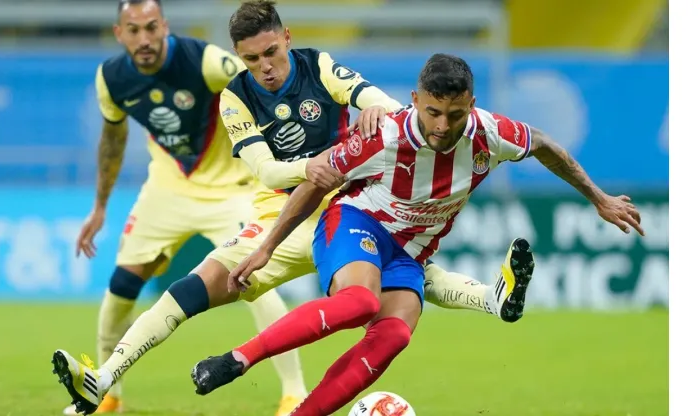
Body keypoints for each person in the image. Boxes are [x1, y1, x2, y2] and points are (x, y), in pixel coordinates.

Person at [51, 2, 544, 414]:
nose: (265, 67)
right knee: (195, 288)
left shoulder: (319, 66)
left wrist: (376, 107)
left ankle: (490, 299)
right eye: (252, 59)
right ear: (240, 58)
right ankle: (105, 378)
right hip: (281, 217)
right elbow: (267, 172)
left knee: (403, 282)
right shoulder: (234, 99)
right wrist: (318, 165)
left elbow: (391, 109)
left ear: (286, 38)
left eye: (271, 52)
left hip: (357, 209)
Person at [190, 52, 645, 415]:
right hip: (355, 224)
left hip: (410, 254)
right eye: (432, 112)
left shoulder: (491, 132)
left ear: (472, 104)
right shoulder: (384, 135)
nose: (442, 127)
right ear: (414, 99)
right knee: (360, 302)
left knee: (393, 336)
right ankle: (236, 359)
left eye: (455, 114)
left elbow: (544, 143)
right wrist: (267, 247)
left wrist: (598, 198)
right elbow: (316, 181)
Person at [58, 1, 306, 414]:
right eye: (133, 30)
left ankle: (294, 393)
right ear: (119, 34)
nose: (144, 39)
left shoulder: (205, 62)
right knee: (121, 288)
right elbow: (113, 140)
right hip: (168, 189)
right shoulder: (112, 79)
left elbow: (261, 88)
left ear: (165, 27)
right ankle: (107, 395)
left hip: (232, 187)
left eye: (151, 28)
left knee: (255, 281)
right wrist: (100, 207)